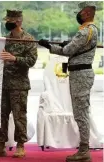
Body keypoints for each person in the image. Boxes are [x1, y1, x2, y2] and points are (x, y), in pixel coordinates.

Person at [38, 2, 98, 162]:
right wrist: (68, 45)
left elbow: (67, 51)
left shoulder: (85, 31)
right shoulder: (92, 30)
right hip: (81, 73)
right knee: (81, 111)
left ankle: (84, 150)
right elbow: (73, 48)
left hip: (80, 75)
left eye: (80, 12)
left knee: (81, 113)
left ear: (86, 13)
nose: (78, 14)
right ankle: (83, 148)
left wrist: (48, 46)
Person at [0, 10, 38, 158]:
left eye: (10, 20)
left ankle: (20, 145)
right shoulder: (4, 40)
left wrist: (14, 58)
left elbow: (31, 61)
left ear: (18, 22)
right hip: (2, 84)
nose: (7, 23)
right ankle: (0, 145)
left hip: (19, 85)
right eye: (7, 20)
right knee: (1, 116)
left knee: (19, 116)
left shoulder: (28, 39)